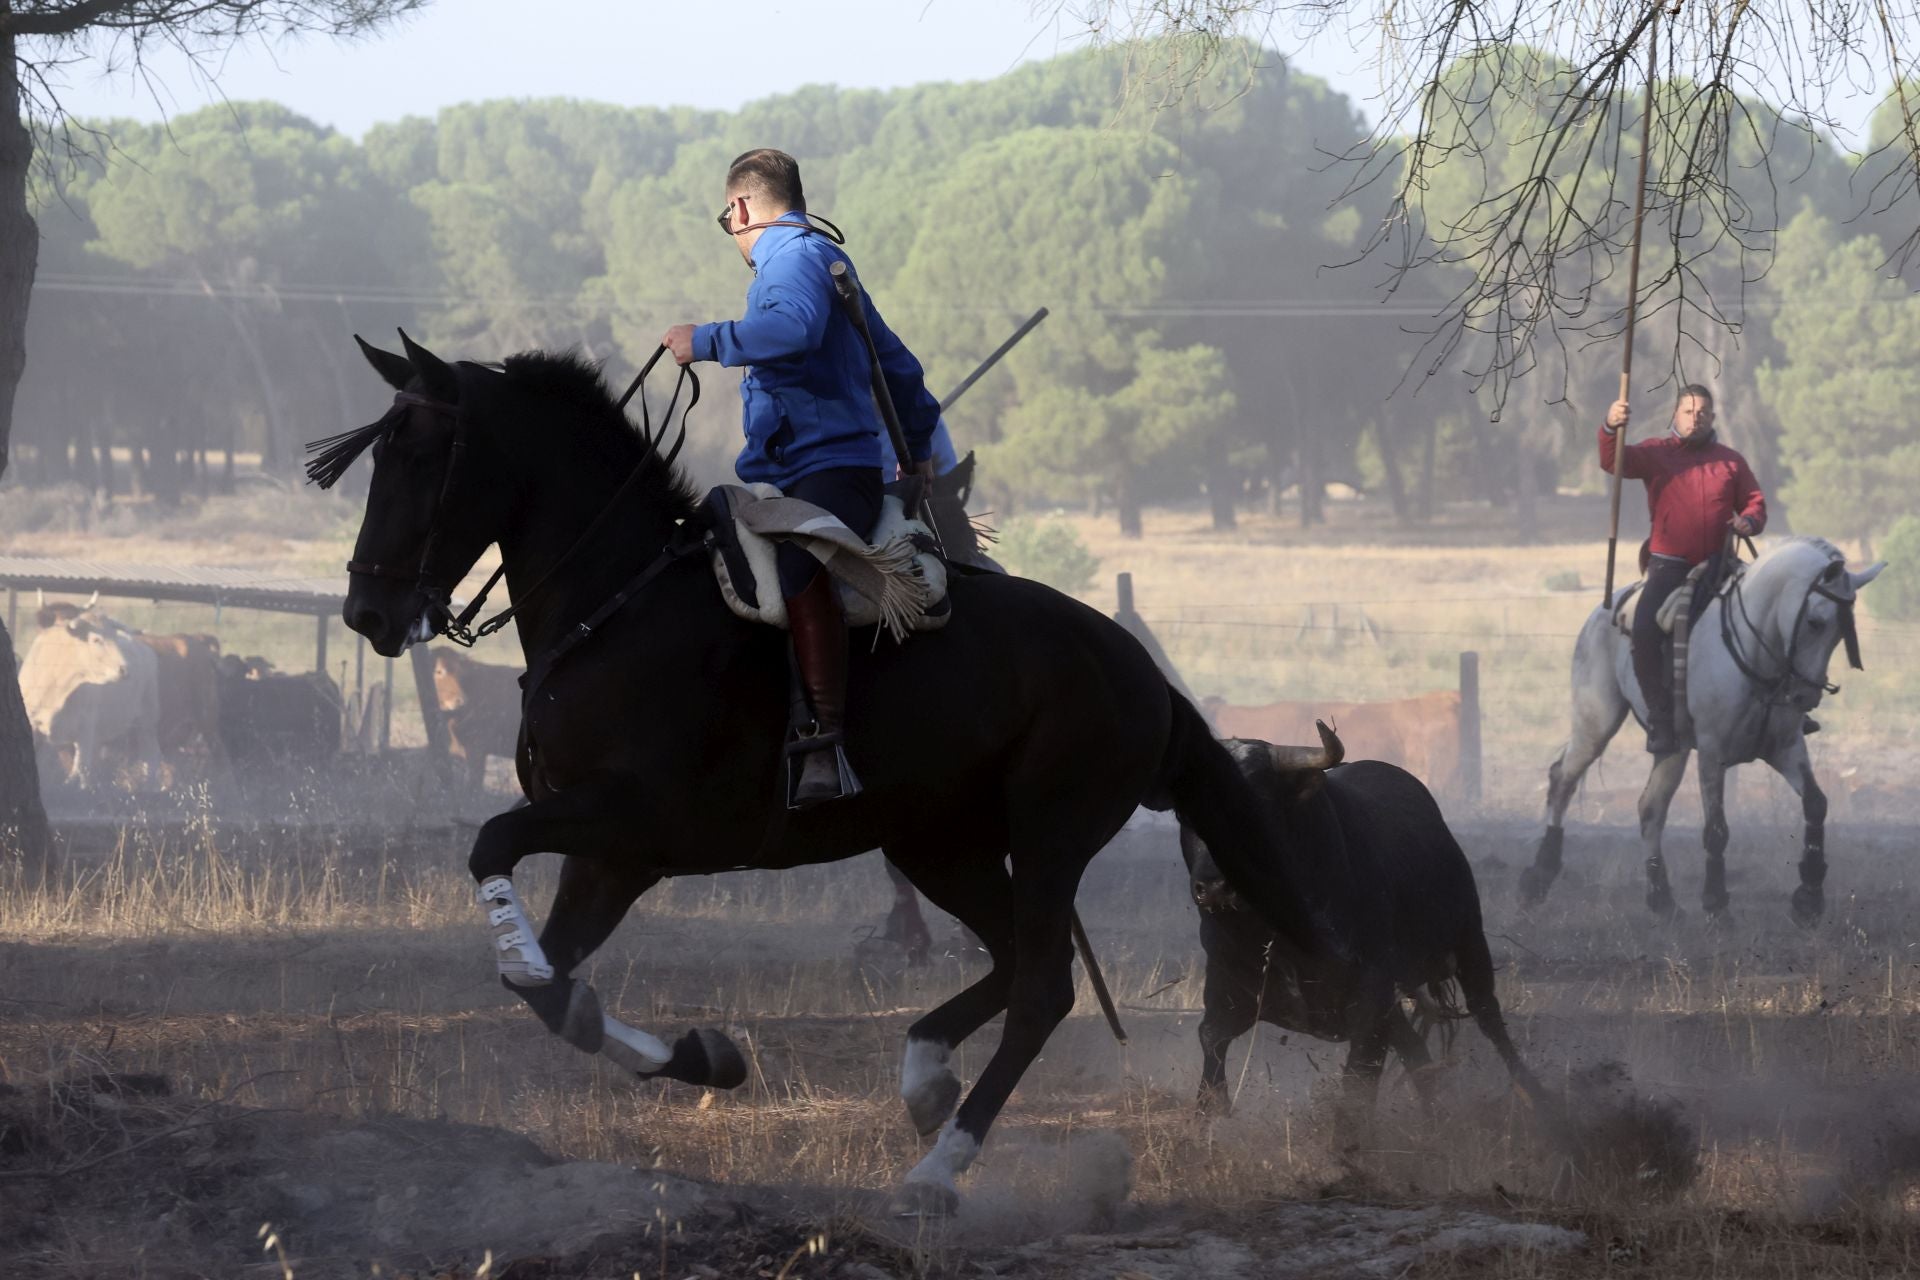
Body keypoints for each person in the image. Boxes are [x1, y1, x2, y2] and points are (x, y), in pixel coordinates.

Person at [662, 148, 941, 806]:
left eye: (726, 218)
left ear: (738, 209)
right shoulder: (823, 259)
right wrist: (920, 444)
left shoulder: (788, 259)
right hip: (806, 469)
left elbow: (789, 329)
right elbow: (896, 364)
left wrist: (704, 340)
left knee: (800, 566)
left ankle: (824, 743)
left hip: (829, 469)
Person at [1600, 384, 1766, 755]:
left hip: (1721, 564)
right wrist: (1612, 428)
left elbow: (1755, 503)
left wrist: (1750, 523)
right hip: (1668, 566)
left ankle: (1781, 711)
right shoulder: (1655, 454)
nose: (1696, 418)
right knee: (1644, 631)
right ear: (1675, 415)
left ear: (1712, 417)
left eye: (1703, 412)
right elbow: (1614, 463)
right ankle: (1660, 719)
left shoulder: (1731, 461)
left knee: (1768, 619)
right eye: (1689, 412)